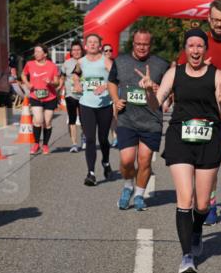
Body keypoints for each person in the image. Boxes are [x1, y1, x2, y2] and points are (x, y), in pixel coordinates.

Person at [150, 28, 221, 273]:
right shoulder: (174, 73)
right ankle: (187, 256)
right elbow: (156, 104)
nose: (195, 50)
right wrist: (148, 92)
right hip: (180, 138)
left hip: (208, 140)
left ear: (205, 49)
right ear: (185, 49)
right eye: (191, 46)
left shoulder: (216, 75)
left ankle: (196, 230)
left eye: (199, 46)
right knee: (185, 198)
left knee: (202, 204)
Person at [177, 0, 221, 231]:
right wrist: (199, 67)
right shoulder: (199, 43)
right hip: (205, 112)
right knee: (209, 161)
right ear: (209, 19)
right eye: (215, 20)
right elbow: (180, 71)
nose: (219, 24)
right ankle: (210, 205)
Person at [108, 29, 169, 211]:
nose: (142, 47)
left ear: (151, 45)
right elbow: (112, 82)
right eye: (138, 44)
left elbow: (169, 89)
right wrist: (116, 99)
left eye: (145, 44)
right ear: (133, 43)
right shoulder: (120, 61)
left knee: (144, 160)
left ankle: (140, 195)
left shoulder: (161, 64)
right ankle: (128, 186)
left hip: (151, 120)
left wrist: (157, 89)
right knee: (127, 160)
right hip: (127, 119)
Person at [73, 33, 114, 186]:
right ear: (85, 46)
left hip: (105, 105)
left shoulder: (106, 61)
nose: (92, 44)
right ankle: (91, 173)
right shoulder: (81, 61)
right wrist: (77, 83)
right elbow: (76, 74)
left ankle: (106, 161)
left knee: (103, 139)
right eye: (89, 42)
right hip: (86, 104)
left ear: (100, 46)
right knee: (90, 138)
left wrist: (105, 86)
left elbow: (116, 77)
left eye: (95, 42)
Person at [21, 44, 62, 155]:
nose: (36, 54)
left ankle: (45, 145)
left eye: (38, 52)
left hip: (50, 97)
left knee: (47, 122)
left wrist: (51, 82)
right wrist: (27, 83)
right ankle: (36, 144)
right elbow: (23, 75)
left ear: (45, 54)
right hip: (35, 97)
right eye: (35, 51)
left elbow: (57, 82)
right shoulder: (29, 64)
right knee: (38, 120)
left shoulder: (52, 66)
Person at [60, 40, 84, 153]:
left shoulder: (86, 61)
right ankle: (74, 143)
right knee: (72, 118)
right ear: (71, 52)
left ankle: (84, 138)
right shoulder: (66, 63)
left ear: (82, 51)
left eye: (78, 50)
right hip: (71, 94)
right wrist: (58, 88)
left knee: (85, 119)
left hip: (85, 95)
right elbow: (62, 78)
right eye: (74, 50)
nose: (76, 52)